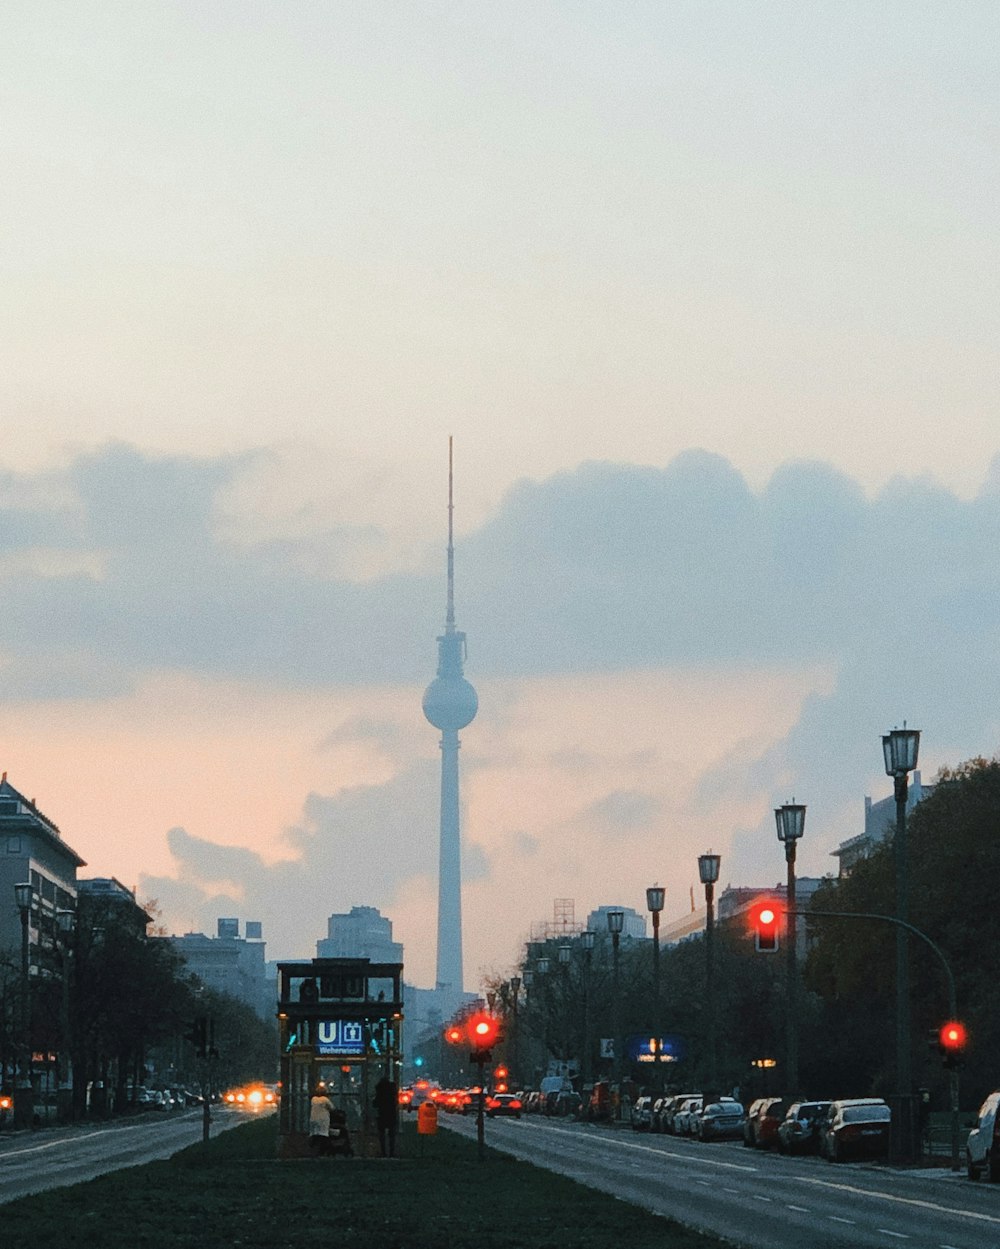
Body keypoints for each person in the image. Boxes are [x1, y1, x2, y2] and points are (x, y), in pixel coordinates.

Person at [373, 1074, 398, 1158]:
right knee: (391, 1135)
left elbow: (375, 1104)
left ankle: (383, 1152)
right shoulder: (392, 1092)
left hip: (382, 1114)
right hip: (391, 1114)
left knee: (382, 1135)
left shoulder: (380, 1092)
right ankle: (392, 1152)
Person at [309, 1085, 336, 1156]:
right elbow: (332, 1108)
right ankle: (325, 1150)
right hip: (323, 1119)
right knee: (323, 1134)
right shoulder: (325, 1099)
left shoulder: (313, 1099)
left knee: (315, 1133)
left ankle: (312, 1147)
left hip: (313, 1119)